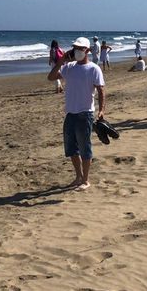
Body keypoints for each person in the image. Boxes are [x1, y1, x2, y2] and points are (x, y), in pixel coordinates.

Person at [47, 37, 105, 191]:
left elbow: (101, 89)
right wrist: (61, 61)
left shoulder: (94, 68)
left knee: (85, 147)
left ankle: (85, 180)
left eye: (80, 48)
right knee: (72, 148)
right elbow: (51, 77)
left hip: (85, 113)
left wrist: (101, 109)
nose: (77, 51)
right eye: (75, 48)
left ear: (87, 51)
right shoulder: (69, 67)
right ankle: (78, 176)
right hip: (70, 113)